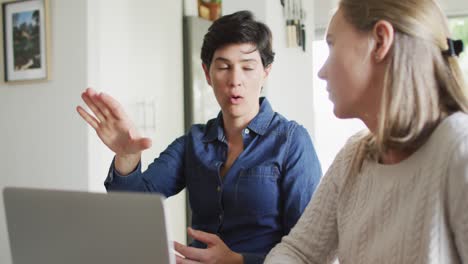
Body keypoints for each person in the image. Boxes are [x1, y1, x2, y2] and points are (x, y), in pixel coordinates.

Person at [76, 11, 322, 264]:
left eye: (247, 67)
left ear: (265, 72)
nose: (235, 80)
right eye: (224, 67)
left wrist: (237, 260)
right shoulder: (193, 143)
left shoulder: (292, 141)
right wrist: (127, 157)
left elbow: (311, 252)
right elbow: (133, 210)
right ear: (207, 73)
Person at [265, 0, 468, 263]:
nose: (322, 72)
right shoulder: (354, 156)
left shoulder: (458, 149)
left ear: (380, 41)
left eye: (332, 44)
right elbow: (297, 252)